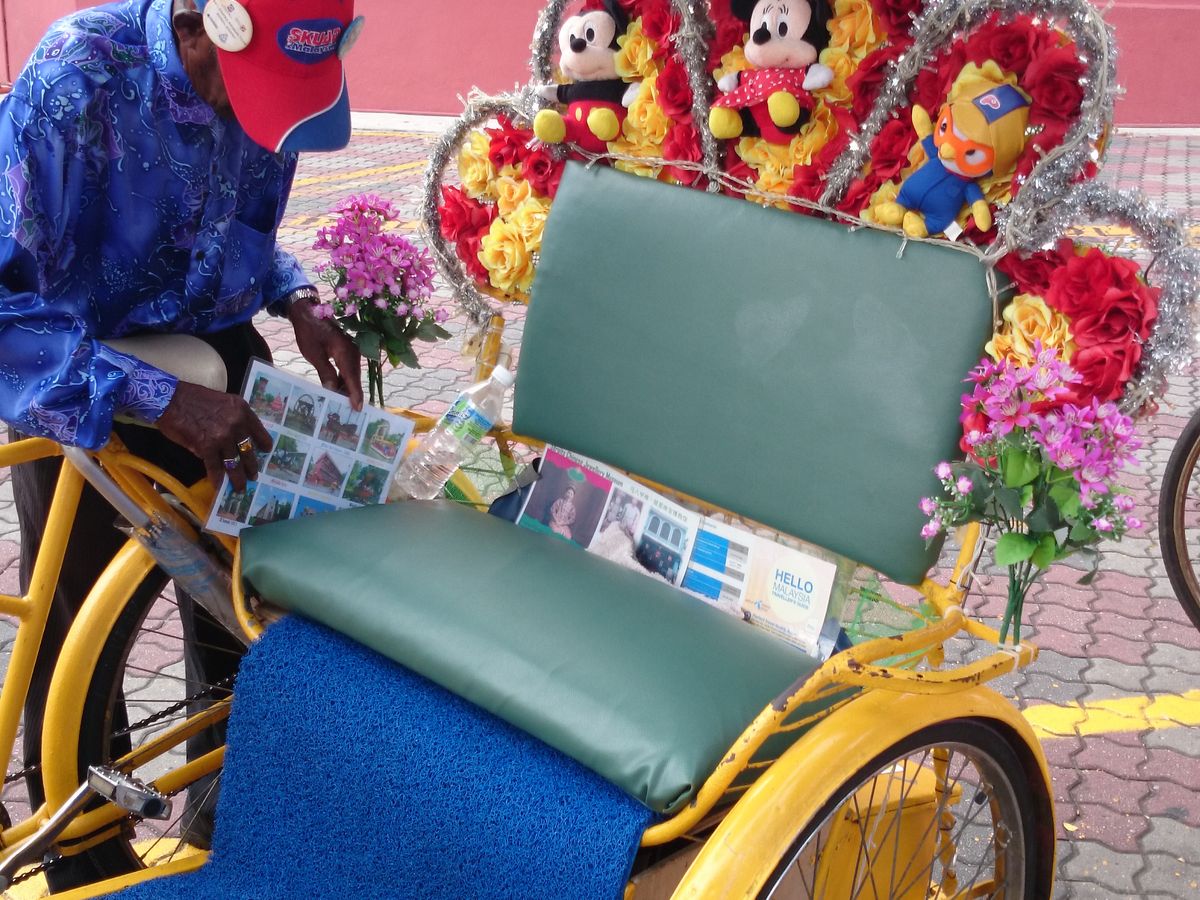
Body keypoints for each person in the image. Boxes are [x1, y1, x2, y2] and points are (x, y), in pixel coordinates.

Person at [0, 0, 364, 879]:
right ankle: (87, 862)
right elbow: (9, 312)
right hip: (86, 383)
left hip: (217, 371)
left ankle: (223, 835)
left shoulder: (268, 91)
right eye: (251, 88)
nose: (262, 120)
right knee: (79, 640)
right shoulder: (81, 74)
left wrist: (298, 298)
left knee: (239, 606)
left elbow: (241, 232)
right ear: (203, 23)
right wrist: (162, 400)